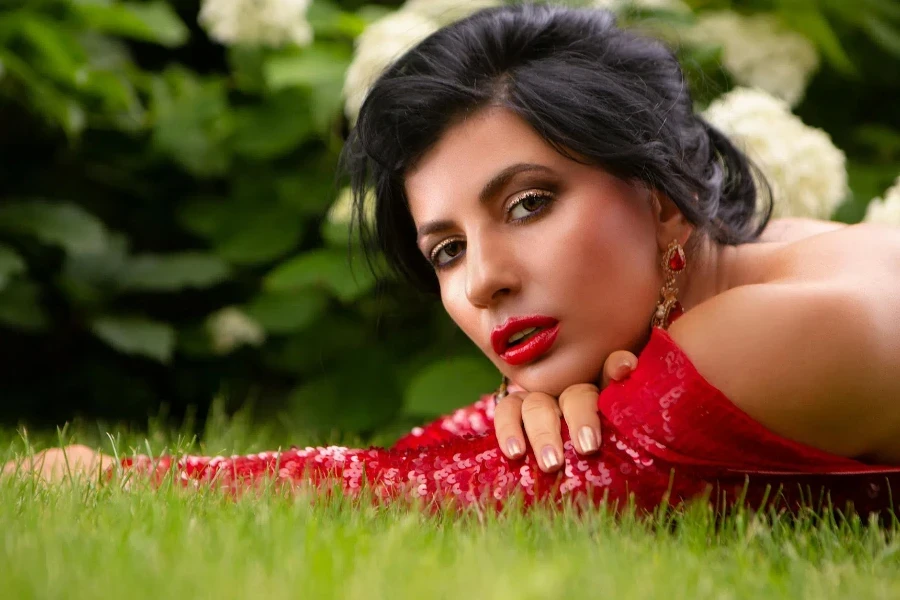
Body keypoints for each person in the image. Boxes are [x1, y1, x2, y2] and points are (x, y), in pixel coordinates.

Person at [6, 4, 900, 516]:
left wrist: (113, 479)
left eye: (529, 203)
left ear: (660, 197)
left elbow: (433, 488)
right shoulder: (777, 265)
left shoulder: (784, 328)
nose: (484, 281)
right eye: (446, 249)